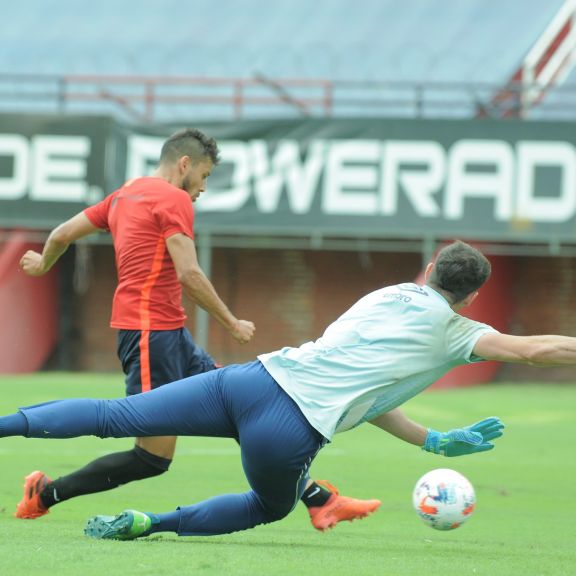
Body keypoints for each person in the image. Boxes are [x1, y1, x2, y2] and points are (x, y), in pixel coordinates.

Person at [17, 127, 379, 532]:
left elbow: (62, 234)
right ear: (184, 164)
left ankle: (319, 500)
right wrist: (232, 322)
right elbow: (189, 273)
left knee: (245, 407)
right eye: (204, 176)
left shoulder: (124, 194)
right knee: (151, 458)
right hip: (151, 335)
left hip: (168, 334)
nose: (202, 188)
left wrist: (43, 263)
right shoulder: (173, 198)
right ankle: (44, 493)